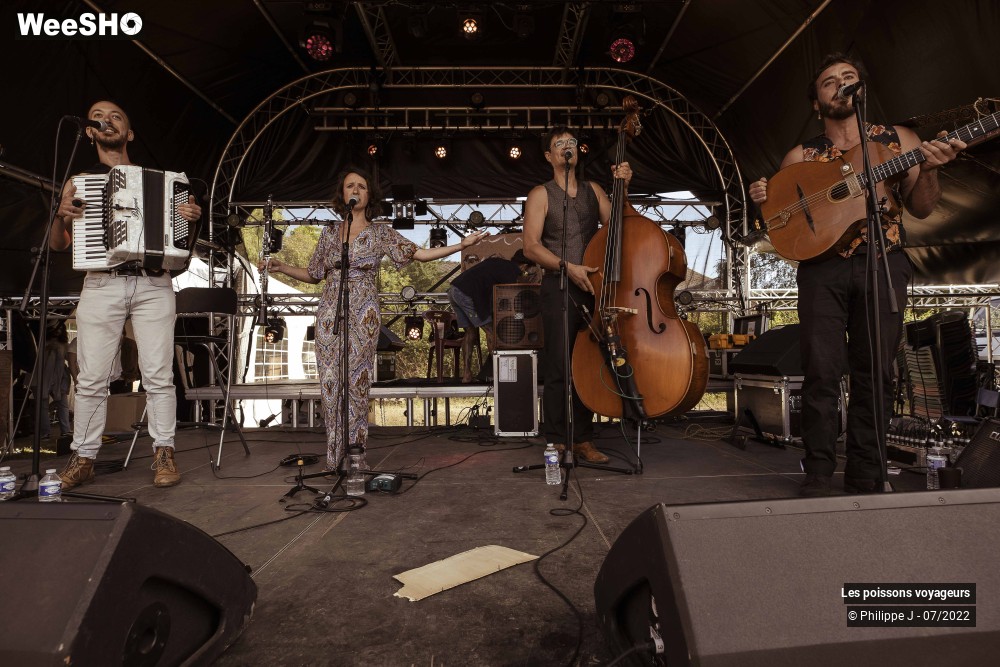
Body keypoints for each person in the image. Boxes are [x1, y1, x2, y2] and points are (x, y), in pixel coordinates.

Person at [748, 53, 967, 496]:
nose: (841, 85)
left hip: (883, 262)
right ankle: (818, 471)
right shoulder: (802, 154)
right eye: (830, 81)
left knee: (876, 373)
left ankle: (868, 470)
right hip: (821, 270)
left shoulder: (898, 140)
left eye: (849, 78)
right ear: (817, 101)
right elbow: (785, 220)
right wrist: (763, 199)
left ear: (861, 89)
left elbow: (922, 207)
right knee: (822, 371)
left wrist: (929, 168)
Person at [262, 167, 487, 470]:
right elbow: (313, 275)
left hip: (363, 312)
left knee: (356, 383)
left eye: (362, 186)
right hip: (330, 313)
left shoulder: (380, 232)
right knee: (330, 384)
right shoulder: (329, 233)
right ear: (342, 194)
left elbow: (418, 254)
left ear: (369, 196)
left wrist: (462, 244)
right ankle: (334, 457)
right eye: (349, 185)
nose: (355, 190)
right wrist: (281, 266)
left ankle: (355, 456)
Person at [50, 100, 203, 489]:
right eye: (100, 116)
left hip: (154, 283)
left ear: (129, 133)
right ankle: (83, 457)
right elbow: (58, 245)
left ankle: (164, 452)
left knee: (158, 375)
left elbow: (182, 252)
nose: (108, 120)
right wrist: (60, 214)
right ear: (89, 131)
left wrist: (190, 224)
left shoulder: (166, 183)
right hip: (101, 282)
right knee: (91, 378)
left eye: (117, 116)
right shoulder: (80, 182)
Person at [522, 127, 632, 464]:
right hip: (558, 286)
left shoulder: (594, 190)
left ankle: (584, 439)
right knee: (558, 366)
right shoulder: (540, 194)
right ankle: (556, 440)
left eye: (571, 143)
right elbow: (530, 247)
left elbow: (620, 227)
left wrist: (623, 189)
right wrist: (566, 266)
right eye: (559, 144)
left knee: (586, 364)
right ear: (548, 156)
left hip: (593, 288)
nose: (567, 148)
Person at [447, 249, 535, 383]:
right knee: (492, 332)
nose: (526, 275)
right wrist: (520, 316)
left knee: (470, 333)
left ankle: (466, 375)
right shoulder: (512, 271)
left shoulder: (499, 264)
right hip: (466, 294)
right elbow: (510, 301)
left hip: (454, 289)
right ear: (524, 266)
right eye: (528, 272)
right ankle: (498, 374)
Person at [36, 320, 71, 440]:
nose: (58, 332)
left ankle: (65, 431)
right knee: (43, 406)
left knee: (63, 405)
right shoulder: (41, 342)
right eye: (56, 329)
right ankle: (45, 432)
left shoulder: (64, 344)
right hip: (42, 377)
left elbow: (69, 358)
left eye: (60, 329)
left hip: (59, 378)